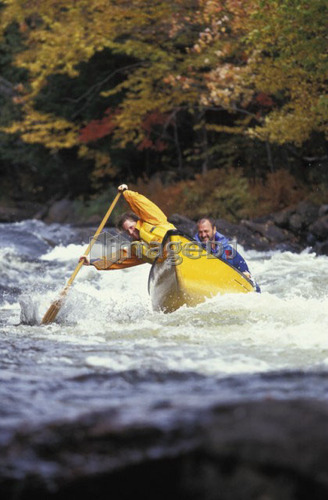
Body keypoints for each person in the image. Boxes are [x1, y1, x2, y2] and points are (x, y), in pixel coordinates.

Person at [79, 184, 176, 270]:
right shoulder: (138, 248)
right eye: (126, 231)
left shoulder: (153, 220)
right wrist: (92, 262)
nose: (130, 232)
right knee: (135, 248)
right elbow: (118, 259)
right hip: (166, 263)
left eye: (131, 227)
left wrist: (126, 193)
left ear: (137, 222)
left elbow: (143, 204)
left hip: (180, 248)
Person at [194, 217, 261, 292]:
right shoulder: (193, 249)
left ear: (214, 229)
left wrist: (246, 275)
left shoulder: (227, 251)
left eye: (206, 231)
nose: (203, 235)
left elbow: (246, 272)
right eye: (200, 232)